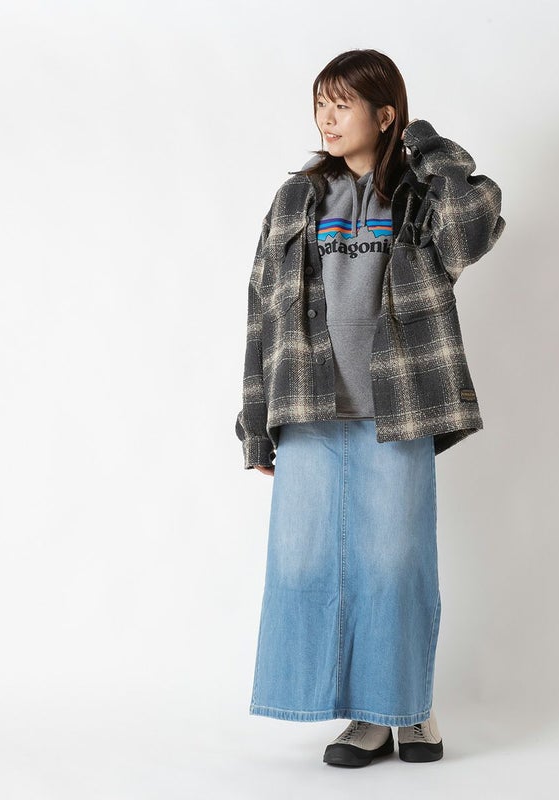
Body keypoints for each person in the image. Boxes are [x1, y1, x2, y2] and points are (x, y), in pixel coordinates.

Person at [235, 49, 505, 767]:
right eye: (320, 103)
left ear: (384, 114)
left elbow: (473, 229)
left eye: (343, 104)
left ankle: (407, 710)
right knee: (306, 566)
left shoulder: (418, 193)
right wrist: (255, 426)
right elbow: (262, 311)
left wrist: (426, 145)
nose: (326, 118)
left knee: (394, 566)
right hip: (309, 409)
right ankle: (365, 716)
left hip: (400, 405)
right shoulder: (296, 200)